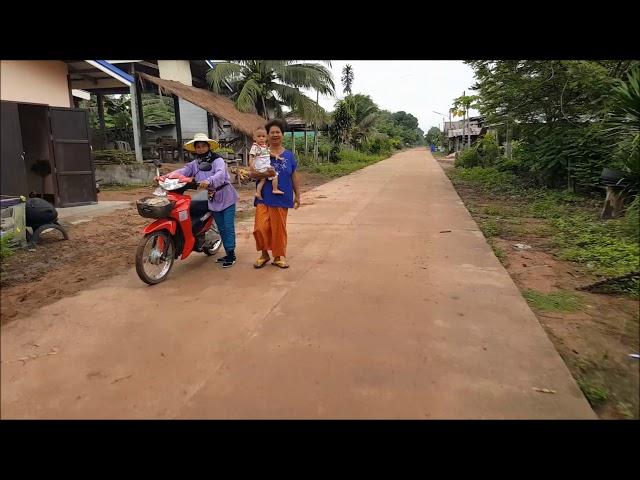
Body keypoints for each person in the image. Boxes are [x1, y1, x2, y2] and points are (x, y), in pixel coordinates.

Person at [154, 133, 239, 268]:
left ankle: (231, 254)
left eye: (203, 146)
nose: (200, 149)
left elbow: (220, 174)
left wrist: (208, 180)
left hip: (226, 196)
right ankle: (222, 249)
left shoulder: (218, 160)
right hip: (211, 197)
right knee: (221, 227)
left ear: (208, 146)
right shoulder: (195, 163)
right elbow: (183, 171)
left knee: (228, 226)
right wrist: (165, 177)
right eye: (198, 147)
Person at [250, 119, 301, 269]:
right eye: (271, 132)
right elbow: (252, 174)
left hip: (281, 197)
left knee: (278, 229)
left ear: (282, 135)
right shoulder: (260, 152)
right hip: (263, 196)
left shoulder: (289, 155)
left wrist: (298, 195)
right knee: (260, 227)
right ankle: (264, 254)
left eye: (277, 132)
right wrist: (264, 173)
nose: (275, 135)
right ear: (267, 136)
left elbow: (294, 176)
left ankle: (278, 257)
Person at [249, 126, 284, 200]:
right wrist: (251, 164)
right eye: (259, 136)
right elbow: (251, 155)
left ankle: (258, 192)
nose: (261, 138)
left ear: (266, 138)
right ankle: (275, 189)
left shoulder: (264, 147)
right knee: (275, 174)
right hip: (262, 166)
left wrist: (277, 156)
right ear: (254, 138)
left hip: (262, 167)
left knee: (262, 180)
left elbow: (269, 153)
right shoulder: (255, 147)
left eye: (263, 136)